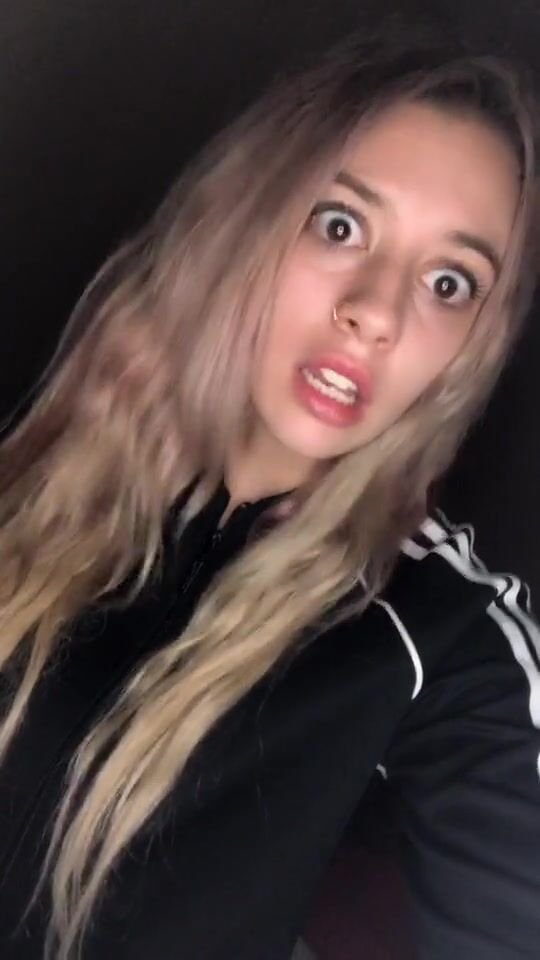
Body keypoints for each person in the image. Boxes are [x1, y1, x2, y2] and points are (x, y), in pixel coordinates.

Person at [0, 25, 539, 960]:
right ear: (245, 221)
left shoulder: (438, 628)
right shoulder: (53, 463)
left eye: (451, 282)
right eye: (341, 225)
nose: (375, 312)